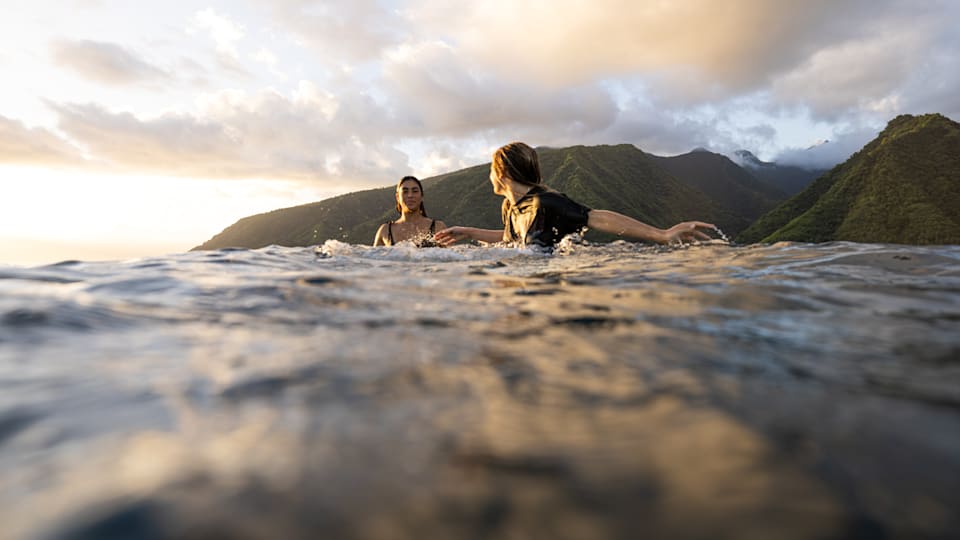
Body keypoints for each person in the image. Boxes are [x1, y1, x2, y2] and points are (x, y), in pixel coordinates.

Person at [434, 142, 716, 248]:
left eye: (491, 171)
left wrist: (661, 234)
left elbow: (595, 217)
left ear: (503, 174)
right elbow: (509, 239)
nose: (490, 177)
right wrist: (469, 231)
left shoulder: (545, 202)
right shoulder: (512, 207)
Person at [374, 176, 448, 247]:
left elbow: (452, 258)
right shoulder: (385, 231)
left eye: (415, 191)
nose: (410, 195)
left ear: (422, 196)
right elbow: (372, 259)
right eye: (405, 191)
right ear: (397, 197)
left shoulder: (438, 228)